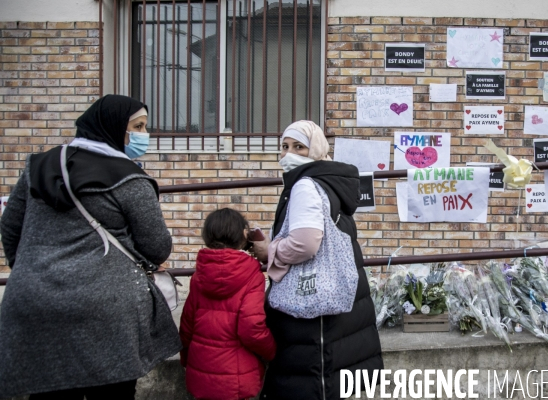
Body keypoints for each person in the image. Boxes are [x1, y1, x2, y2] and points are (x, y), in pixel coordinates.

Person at [0, 94, 181, 399]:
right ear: (112, 127)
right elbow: (157, 247)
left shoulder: (38, 165)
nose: (143, 135)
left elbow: (10, 226)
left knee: (50, 389)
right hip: (105, 311)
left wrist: (32, 271)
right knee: (111, 391)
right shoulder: (129, 178)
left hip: (34, 301)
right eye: (137, 126)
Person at [253, 120, 383, 400]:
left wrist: (269, 252)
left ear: (317, 149)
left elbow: (306, 243)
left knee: (313, 381)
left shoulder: (305, 186)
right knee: (331, 378)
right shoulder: (331, 181)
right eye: (284, 147)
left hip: (311, 304)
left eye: (299, 146)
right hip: (338, 299)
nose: (289, 154)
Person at [179, 208, 276, 400]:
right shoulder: (251, 275)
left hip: (201, 375)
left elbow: (187, 326)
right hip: (239, 380)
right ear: (243, 235)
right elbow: (251, 328)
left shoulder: (199, 276)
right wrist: (272, 352)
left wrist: (186, 360)